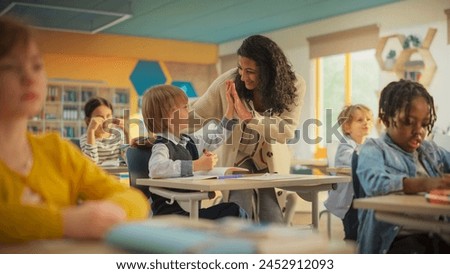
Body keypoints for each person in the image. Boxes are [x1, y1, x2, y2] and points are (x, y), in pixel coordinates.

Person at [0, 16, 149, 243]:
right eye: (10, 67)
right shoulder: (78, 142)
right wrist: (65, 222)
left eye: (37, 66)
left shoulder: (56, 150)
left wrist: (107, 215)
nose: (29, 77)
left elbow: (134, 199)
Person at [188, 35, 306, 223]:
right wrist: (159, 130)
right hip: (238, 157)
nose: (243, 76)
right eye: (240, 69)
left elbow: (286, 131)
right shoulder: (227, 83)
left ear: (268, 71)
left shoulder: (294, 85)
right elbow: (193, 116)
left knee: (272, 217)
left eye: (250, 71)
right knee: (238, 212)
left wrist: (249, 118)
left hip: (270, 158)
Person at [356, 79, 450, 253]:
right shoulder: (374, 149)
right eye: (408, 121)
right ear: (385, 119)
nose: (418, 131)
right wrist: (426, 183)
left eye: (425, 124)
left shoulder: (430, 150)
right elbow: (374, 184)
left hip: (436, 231)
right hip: (397, 238)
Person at [142, 84, 246, 219]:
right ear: (170, 115)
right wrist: (197, 165)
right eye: (185, 107)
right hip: (173, 217)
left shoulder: (187, 142)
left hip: (190, 211)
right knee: (233, 212)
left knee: (233, 210)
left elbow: (214, 138)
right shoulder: (162, 146)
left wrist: (230, 113)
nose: (189, 111)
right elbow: (156, 168)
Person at [324, 104, 373, 240]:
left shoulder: (369, 144)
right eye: (360, 120)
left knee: (365, 232)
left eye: (368, 119)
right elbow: (355, 161)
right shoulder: (345, 145)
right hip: (348, 201)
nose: (365, 123)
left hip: (362, 198)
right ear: (347, 127)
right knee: (353, 235)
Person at [80, 97, 128, 165]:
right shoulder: (86, 138)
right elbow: (91, 163)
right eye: (100, 117)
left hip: (115, 175)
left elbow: (129, 160)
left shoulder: (118, 135)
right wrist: (91, 131)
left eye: (108, 116)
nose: (106, 121)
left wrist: (127, 133)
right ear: (88, 121)